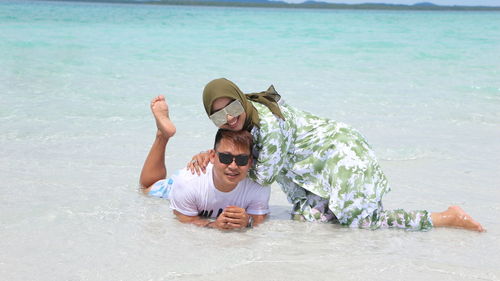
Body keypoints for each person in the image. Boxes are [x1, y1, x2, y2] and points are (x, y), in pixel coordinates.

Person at [189, 78, 484, 232]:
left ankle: (445, 218)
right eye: (218, 116)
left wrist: (219, 160)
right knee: (308, 220)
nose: (229, 119)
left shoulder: (266, 124)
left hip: (343, 155)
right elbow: (246, 156)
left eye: (233, 108)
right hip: (318, 169)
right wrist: (215, 154)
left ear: (242, 101)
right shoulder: (248, 121)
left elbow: (263, 174)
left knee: (361, 222)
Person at [140, 95, 270, 230]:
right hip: (175, 186)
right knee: (145, 188)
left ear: (250, 162)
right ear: (212, 157)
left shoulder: (259, 185)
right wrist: (213, 225)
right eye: (225, 158)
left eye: (241, 160)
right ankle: (162, 135)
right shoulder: (188, 182)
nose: (233, 166)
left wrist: (248, 221)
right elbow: (184, 219)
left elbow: (259, 218)